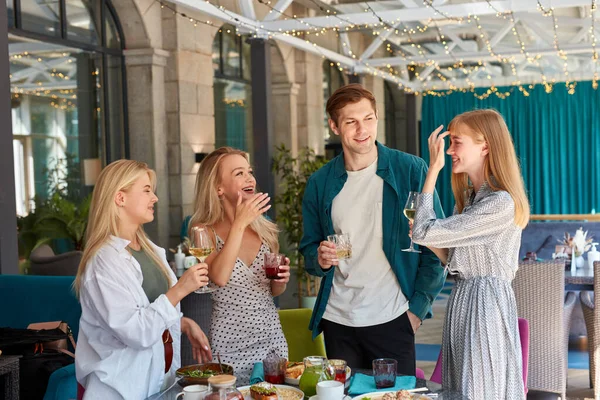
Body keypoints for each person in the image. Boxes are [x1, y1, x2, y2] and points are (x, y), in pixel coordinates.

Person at [299, 84, 446, 373]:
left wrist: (417, 309)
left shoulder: (411, 170)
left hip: (394, 317)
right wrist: (320, 258)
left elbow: (435, 244)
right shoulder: (320, 182)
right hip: (338, 320)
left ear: (377, 118)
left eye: (368, 118)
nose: (362, 129)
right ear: (334, 126)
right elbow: (308, 249)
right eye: (351, 121)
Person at [412, 109, 529, 399]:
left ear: (485, 145)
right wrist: (423, 235)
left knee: (479, 390)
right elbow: (450, 258)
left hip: (486, 304)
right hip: (464, 298)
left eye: (457, 142)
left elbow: (424, 231)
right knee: (463, 389)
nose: (449, 150)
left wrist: (433, 169)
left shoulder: (500, 203)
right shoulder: (471, 200)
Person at [74, 160, 213, 399]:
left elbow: (148, 309)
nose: (155, 198)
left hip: (157, 385)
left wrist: (183, 323)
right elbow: (135, 331)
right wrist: (180, 289)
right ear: (120, 198)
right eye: (147, 190)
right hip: (119, 389)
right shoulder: (103, 261)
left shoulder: (148, 249)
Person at [188, 147, 289, 385]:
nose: (249, 178)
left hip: (271, 340)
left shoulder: (265, 229)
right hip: (230, 345)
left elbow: (273, 292)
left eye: (249, 172)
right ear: (218, 188)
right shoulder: (203, 231)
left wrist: (280, 281)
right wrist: (240, 223)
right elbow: (219, 277)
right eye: (239, 173)